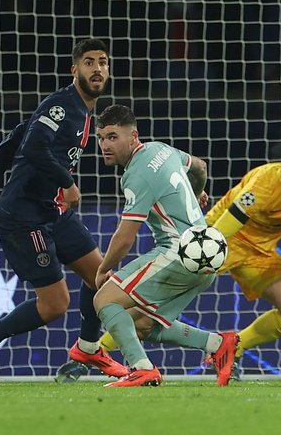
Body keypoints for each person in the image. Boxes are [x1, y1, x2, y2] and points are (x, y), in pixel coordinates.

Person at [97, 133, 281, 379]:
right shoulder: (268, 180)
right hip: (220, 239)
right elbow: (232, 219)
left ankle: (232, 349)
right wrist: (205, 249)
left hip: (261, 253)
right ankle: (99, 351)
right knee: (146, 314)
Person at [0, 39, 128, 385]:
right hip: (24, 215)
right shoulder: (62, 105)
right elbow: (35, 145)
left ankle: (88, 347)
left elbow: (17, 136)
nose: (97, 68)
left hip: (52, 211)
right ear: (75, 70)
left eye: (103, 62)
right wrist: (67, 181)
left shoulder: (83, 110)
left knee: (101, 278)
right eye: (88, 62)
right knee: (55, 304)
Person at [92, 104, 239, 387]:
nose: (105, 145)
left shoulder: (137, 174)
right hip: (205, 253)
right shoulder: (162, 150)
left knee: (104, 300)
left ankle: (141, 368)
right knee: (142, 324)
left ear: (133, 136)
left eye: (112, 136)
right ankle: (217, 344)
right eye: (101, 138)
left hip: (178, 252)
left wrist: (103, 270)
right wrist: (196, 193)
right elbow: (200, 166)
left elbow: (124, 238)